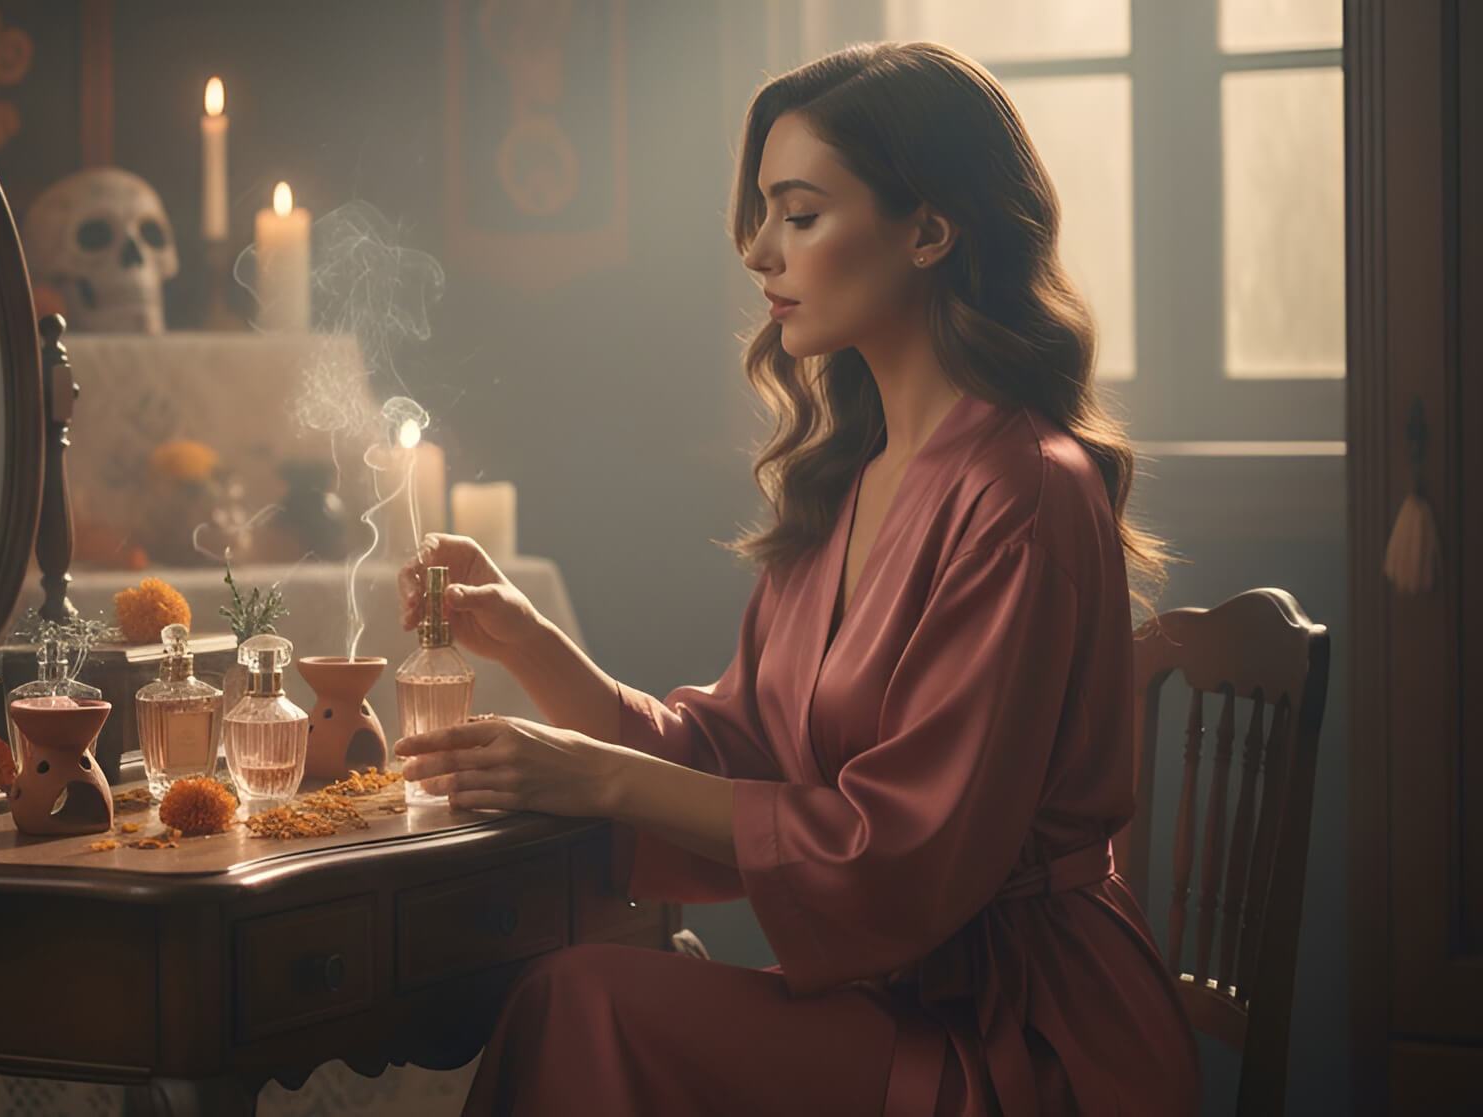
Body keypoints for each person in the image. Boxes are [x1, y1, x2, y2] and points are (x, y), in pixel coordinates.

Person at [393, 41, 1201, 1117]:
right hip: (888, 1002)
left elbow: (901, 851)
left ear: (928, 231)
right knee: (571, 996)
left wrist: (593, 777)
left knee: (584, 1002)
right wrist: (530, 642)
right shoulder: (848, 484)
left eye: (800, 214)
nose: (759, 251)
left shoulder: (1024, 490)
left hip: (1023, 1033)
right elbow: (731, 760)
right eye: (763, 213)